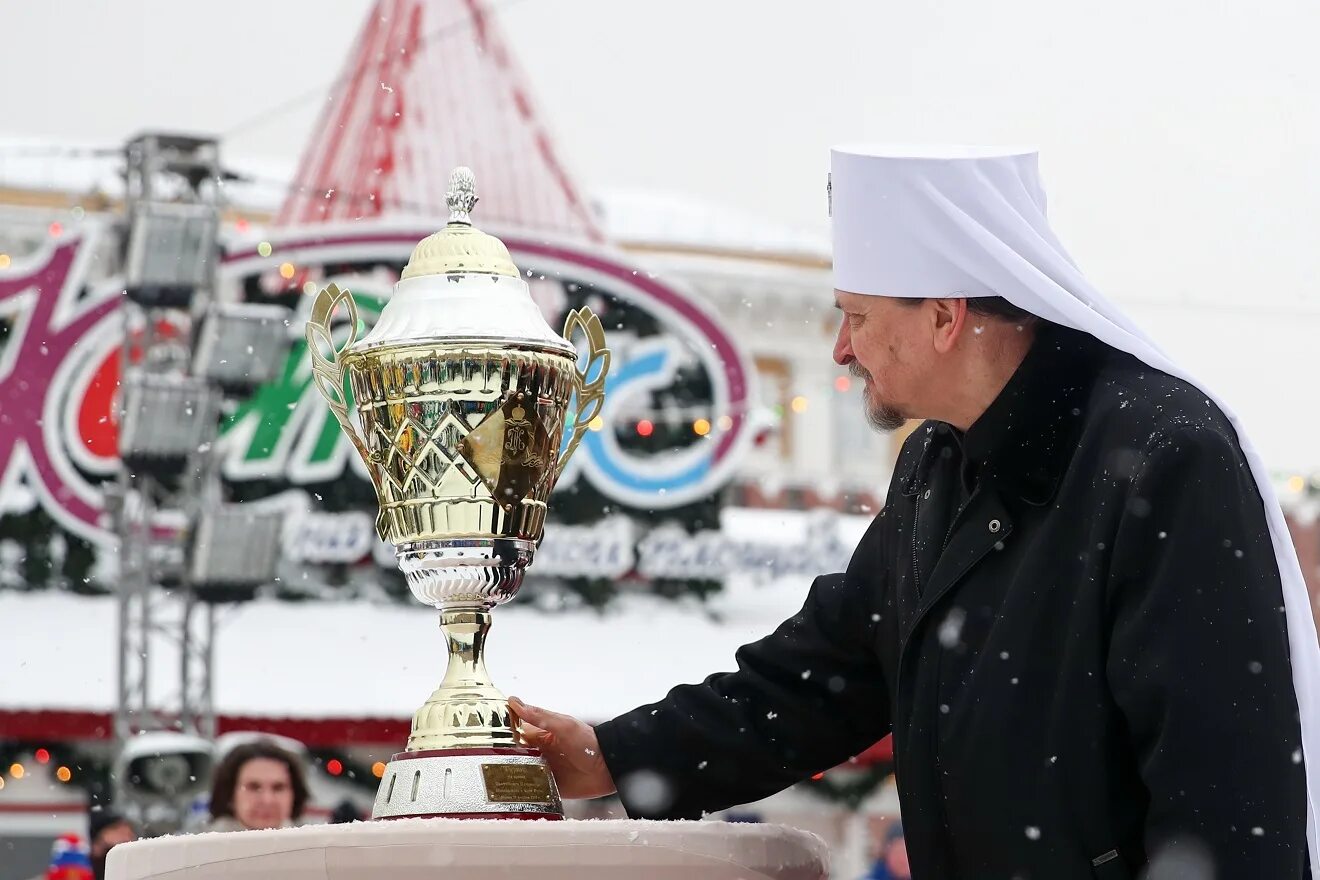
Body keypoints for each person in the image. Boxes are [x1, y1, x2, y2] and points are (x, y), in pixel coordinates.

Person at [509, 145, 1320, 879]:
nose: (839, 349)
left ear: (944, 315)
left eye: (856, 317)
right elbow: (819, 678)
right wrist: (615, 753)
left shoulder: (1165, 457)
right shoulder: (938, 467)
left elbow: (1226, 795)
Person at [206, 739, 309, 832]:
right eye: (254, 787)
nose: (267, 800)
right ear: (229, 794)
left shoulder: (315, 849)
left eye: (278, 788)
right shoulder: (200, 850)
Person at [87, 806, 136, 880]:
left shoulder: (132, 861)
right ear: (102, 834)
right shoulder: (82, 867)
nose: (128, 835)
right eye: (117, 829)